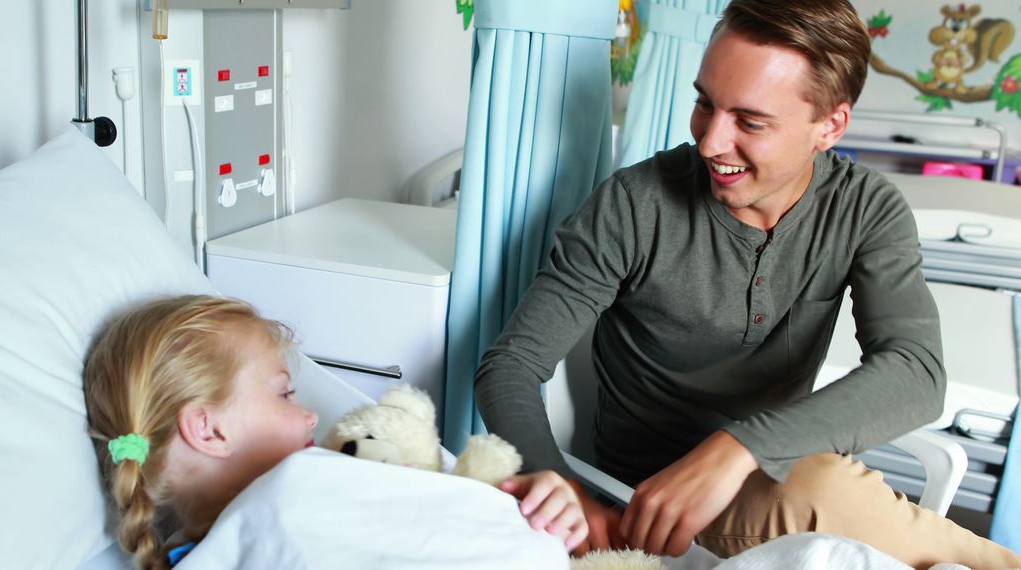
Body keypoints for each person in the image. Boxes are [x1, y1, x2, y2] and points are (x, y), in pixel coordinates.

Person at [473, 0, 1021, 568]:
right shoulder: (634, 206)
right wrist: (562, 485)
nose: (710, 141)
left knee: (826, 486)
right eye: (704, 104)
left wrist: (739, 448)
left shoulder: (865, 208)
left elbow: (916, 372)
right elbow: (510, 366)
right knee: (826, 489)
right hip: (653, 500)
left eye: (750, 122)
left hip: (778, 472)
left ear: (829, 125)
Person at [83, 295, 587, 569]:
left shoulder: (347, 475)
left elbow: (447, 522)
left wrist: (534, 501)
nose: (310, 417)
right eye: (284, 394)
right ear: (208, 430)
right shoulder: (288, 496)